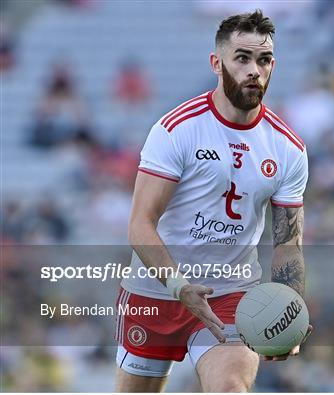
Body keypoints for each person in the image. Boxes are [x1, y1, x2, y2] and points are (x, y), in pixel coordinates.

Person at [115, 10, 311, 392]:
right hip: (156, 291)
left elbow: (289, 244)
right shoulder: (176, 129)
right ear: (216, 63)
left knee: (230, 387)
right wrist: (179, 287)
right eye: (242, 58)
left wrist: (292, 310)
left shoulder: (288, 149)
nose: (254, 69)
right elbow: (140, 224)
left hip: (231, 295)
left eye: (264, 59)